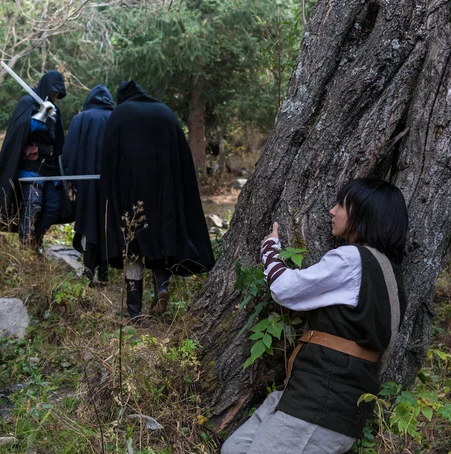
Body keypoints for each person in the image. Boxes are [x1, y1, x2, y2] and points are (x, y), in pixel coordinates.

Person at [221, 178, 408, 454]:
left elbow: (285, 289)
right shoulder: (390, 274)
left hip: (319, 406)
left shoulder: (351, 260)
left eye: (340, 205)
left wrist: (270, 249)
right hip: (313, 399)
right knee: (234, 449)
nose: (331, 211)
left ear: (362, 213)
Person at [101, 80, 215, 318]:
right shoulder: (164, 111)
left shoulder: (120, 114)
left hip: (130, 193)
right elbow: (182, 159)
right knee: (159, 242)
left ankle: (134, 310)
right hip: (164, 193)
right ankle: (161, 287)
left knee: (132, 246)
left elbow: (109, 159)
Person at [0, 70, 71, 248]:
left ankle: (35, 239)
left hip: (50, 165)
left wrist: (52, 117)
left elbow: (58, 141)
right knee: (32, 204)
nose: (56, 96)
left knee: (54, 206)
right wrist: (40, 116)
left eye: (58, 93)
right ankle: (26, 245)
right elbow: (19, 128)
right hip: (30, 164)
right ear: (47, 88)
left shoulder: (54, 108)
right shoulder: (27, 102)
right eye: (54, 92)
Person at [62, 84, 114, 284]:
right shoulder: (116, 117)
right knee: (108, 223)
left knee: (89, 221)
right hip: (112, 185)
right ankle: (105, 273)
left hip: (87, 184)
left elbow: (69, 153)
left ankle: (89, 271)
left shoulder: (80, 119)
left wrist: (71, 179)